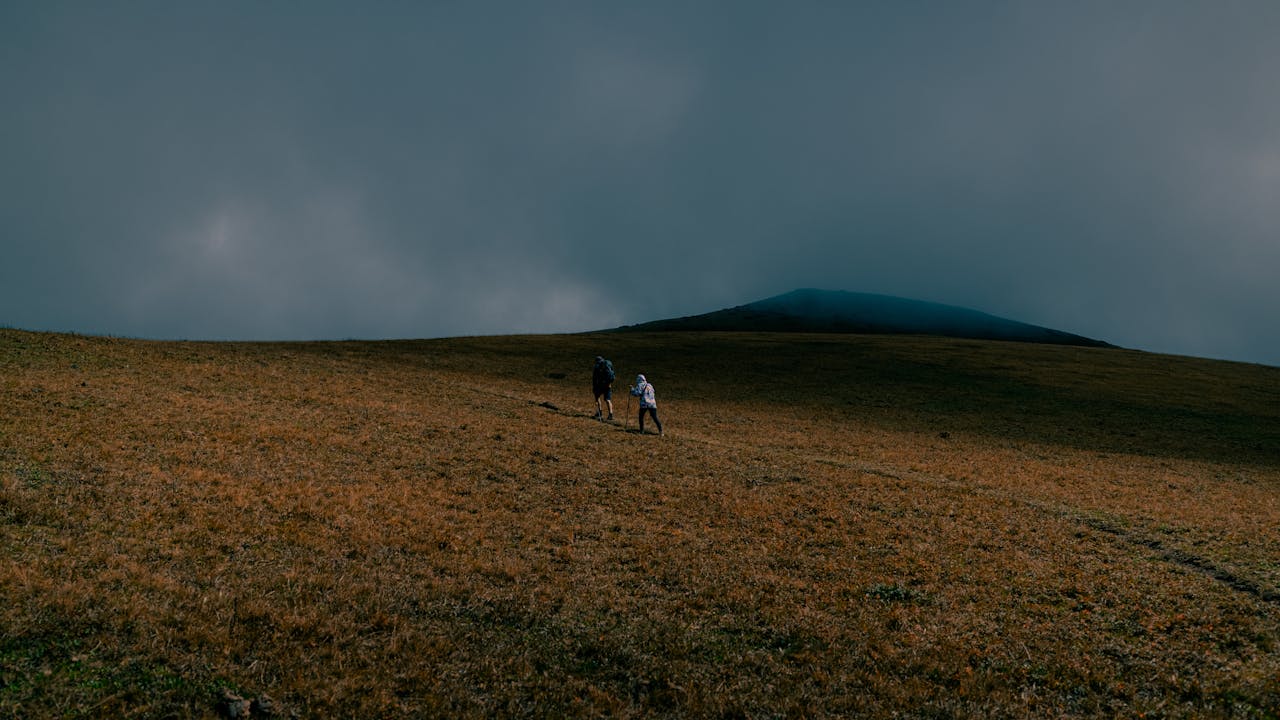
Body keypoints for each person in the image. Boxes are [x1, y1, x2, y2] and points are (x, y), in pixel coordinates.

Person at [592, 355, 615, 421]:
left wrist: (594, 387)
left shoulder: (597, 367)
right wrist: (609, 383)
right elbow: (613, 373)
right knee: (608, 399)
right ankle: (610, 414)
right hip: (608, 385)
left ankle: (600, 412)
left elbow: (594, 378)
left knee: (597, 397)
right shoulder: (608, 363)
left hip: (600, 385)